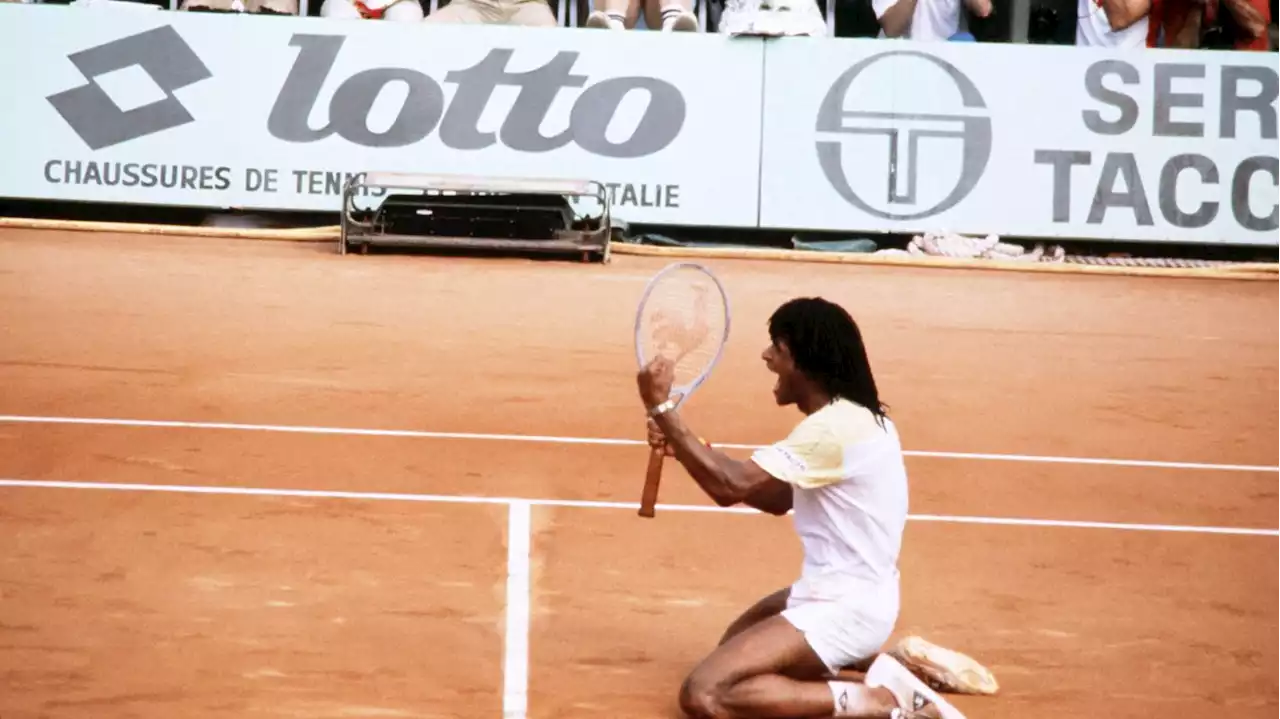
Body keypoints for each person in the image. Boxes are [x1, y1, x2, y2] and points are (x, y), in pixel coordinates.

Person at [637, 297, 983, 719]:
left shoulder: (832, 429)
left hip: (845, 608)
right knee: (734, 648)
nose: (766, 356)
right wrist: (687, 446)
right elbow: (775, 498)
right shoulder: (853, 419)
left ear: (803, 360)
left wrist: (662, 409)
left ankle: (873, 702)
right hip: (847, 595)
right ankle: (887, 665)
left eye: (776, 348)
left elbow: (729, 486)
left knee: (708, 692)